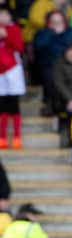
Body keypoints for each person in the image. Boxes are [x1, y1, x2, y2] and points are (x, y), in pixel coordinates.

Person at [0, 7, 25, 149]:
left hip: (13, 70)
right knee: (1, 106)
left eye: (5, 14)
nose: (2, 17)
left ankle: (16, 136)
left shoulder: (14, 29)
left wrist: (6, 35)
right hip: (0, 73)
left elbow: (19, 47)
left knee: (14, 105)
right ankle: (2, 136)